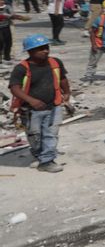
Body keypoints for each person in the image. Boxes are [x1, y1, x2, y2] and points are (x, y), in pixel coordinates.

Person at [8, 33, 70, 172]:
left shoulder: (55, 62)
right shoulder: (21, 68)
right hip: (30, 110)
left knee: (50, 134)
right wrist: (31, 100)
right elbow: (15, 88)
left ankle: (47, 161)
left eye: (46, 47)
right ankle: (39, 154)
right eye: (41, 48)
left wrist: (66, 93)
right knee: (35, 135)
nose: (46, 50)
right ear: (30, 51)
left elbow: (63, 79)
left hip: (53, 106)